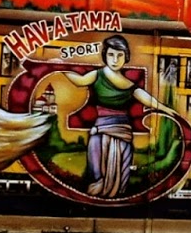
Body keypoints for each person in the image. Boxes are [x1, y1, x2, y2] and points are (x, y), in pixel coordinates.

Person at [61, 36, 180, 199]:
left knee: (122, 162)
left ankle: (115, 193)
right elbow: (79, 81)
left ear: (126, 57)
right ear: (105, 55)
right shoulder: (97, 75)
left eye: (119, 55)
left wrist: (168, 110)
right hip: (100, 129)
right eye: (111, 55)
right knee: (95, 155)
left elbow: (149, 100)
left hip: (122, 130)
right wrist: (57, 66)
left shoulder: (130, 86)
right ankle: (98, 190)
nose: (115, 60)